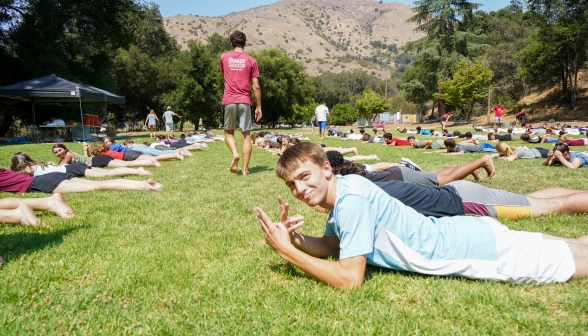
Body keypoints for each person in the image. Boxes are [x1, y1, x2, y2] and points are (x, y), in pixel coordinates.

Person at [254, 142, 588, 288]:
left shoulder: (351, 198)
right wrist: (296, 240)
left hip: (479, 250)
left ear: (327, 168)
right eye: (292, 185)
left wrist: (285, 251)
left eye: (304, 177)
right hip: (471, 233)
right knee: (577, 244)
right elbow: (331, 244)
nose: (299, 190)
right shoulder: (345, 191)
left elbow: (349, 279)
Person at [220, 30, 262, 175]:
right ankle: (245, 170)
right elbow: (256, 86)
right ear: (245, 44)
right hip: (245, 101)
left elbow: (224, 75)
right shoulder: (251, 61)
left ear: (232, 44)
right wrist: (259, 106)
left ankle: (234, 153)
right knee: (246, 136)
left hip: (229, 100)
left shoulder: (224, 57)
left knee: (228, 132)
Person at [327, 150, 495, 185]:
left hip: (399, 176)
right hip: (397, 175)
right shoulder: (348, 166)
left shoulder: (341, 175)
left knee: (443, 181)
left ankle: (481, 161)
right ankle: (469, 167)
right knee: (436, 176)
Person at [0, 168, 163, 194]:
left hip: (40, 183)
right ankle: (141, 183)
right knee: (97, 183)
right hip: (49, 177)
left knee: (97, 186)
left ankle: (142, 186)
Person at [10, 152, 152, 178]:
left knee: (106, 174)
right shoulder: (38, 165)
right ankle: (136, 169)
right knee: (103, 173)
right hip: (71, 168)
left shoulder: (28, 169)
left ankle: (137, 171)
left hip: (72, 168)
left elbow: (26, 175)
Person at [51, 143, 161, 168]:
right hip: (99, 159)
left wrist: (52, 165)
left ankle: (150, 162)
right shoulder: (65, 157)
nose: (59, 153)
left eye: (60, 150)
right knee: (125, 163)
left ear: (64, 149)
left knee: (124, 165)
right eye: (56, 152)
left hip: (97, 161)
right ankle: (151, 162)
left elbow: (61, 167)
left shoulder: (68, 155)